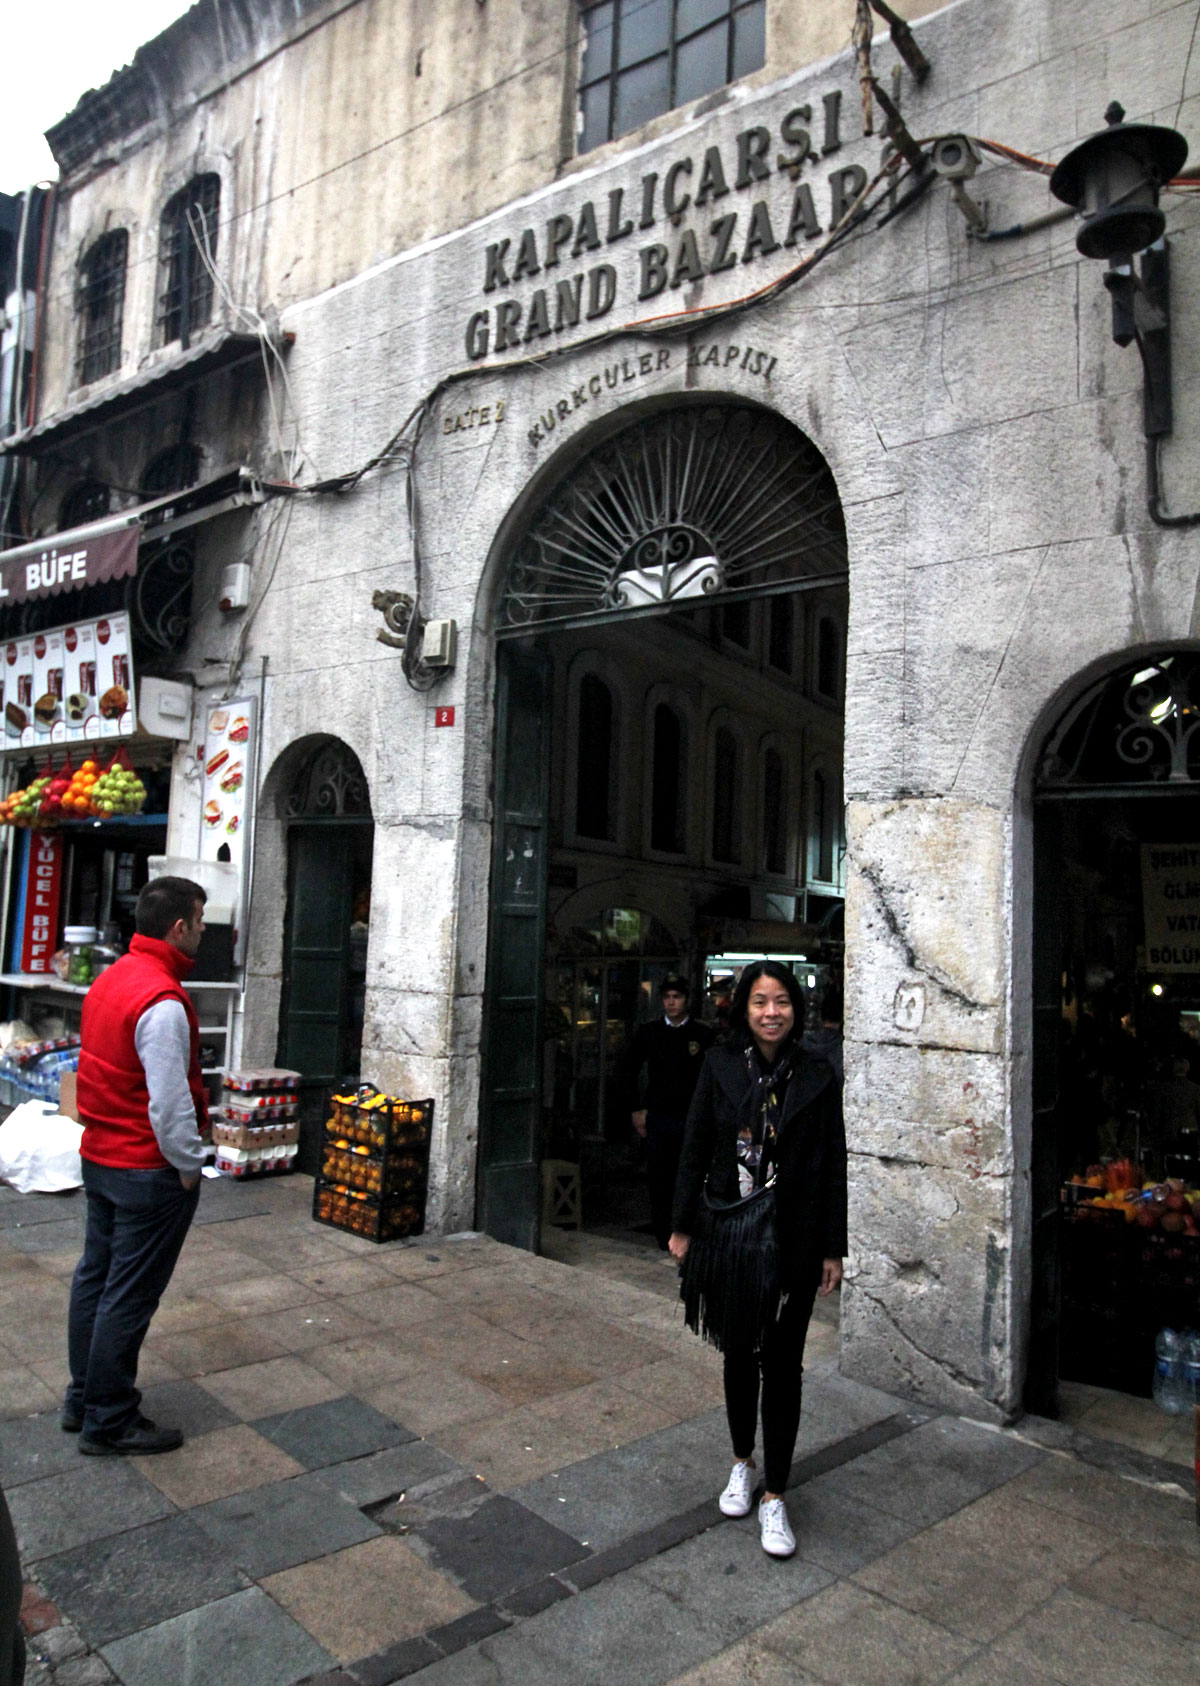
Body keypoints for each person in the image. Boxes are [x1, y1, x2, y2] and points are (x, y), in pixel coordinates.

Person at [670, 960, 846, 1559]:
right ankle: (741, 1462)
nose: (772, 1013)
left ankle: (776, 1494)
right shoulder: (720, 1066)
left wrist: (832, 1246)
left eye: (782, 1002)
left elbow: (834, 1164)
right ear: (743, 1009)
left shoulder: (818, 1073)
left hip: (793, 1238)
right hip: (728, 1232)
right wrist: (680, 1227)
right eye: (760, 1002)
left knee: (785, 1363)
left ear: (797, 1009)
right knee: (739, 1352)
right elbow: (695, 1144)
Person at [64, 876, 209, 1455]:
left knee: (95, 1282)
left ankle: (84, 1399)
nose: (203, 931)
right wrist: (189, 1166)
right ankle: (110, 1419)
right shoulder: (162, 1002)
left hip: (100, 1155)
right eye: (200, 921)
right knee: (126, 1295)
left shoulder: (113, 979)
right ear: (178, 927)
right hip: (145, 1170)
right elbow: (169, 1102)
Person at [622, 974, 715, 1249]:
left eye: (677, 997)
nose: (672, 1003)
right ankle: (664, 1235)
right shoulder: (650, 1032)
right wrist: (636, 1108)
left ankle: (687, 1231)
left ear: (686, 1000)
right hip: (660, 1116)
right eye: (667, 998)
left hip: (692, 1116)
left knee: (690, 1175)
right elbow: (628, 1068)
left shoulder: (702, 1035)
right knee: (659, 1178)